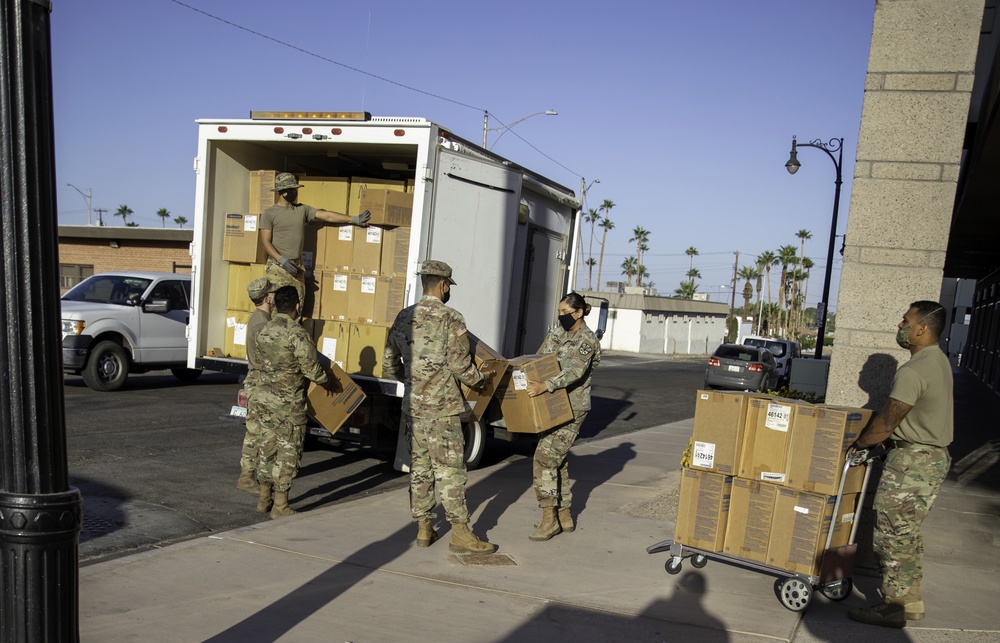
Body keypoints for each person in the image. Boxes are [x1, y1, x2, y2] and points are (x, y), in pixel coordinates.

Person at [847, 301, 953, 629]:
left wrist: (858, 445)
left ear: (922, 328)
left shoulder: (913, 371)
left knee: (892, 534)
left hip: (912, 462)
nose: (899, 325)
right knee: (907, 533)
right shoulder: (938, 360)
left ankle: (892, 606)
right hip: (931, 459)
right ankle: (911, 600)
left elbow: (886, 422)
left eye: (905, 321)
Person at [382, 260, 497, 554]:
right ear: (444, 285)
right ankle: (460, 533)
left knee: (420, 469)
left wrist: (410, 382)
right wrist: (482, 380)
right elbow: (460, 365)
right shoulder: (451, 318)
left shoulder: (403, 317)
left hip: (413, 409)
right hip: (442, 410)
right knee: (451, 471)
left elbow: (388, 363)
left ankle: (424, 528)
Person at [524, 292, 601, 541]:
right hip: (552, 404)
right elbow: (539, 359)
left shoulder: (587, 340)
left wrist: (545, 385)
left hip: (573, 408)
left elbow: (574, 372)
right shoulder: (558, 333)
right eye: (559, 312)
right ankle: (564, 514)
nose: (561, 317)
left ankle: (549, 519)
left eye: (565, 313)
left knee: (545, 458)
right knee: (557, 460)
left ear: (578, 313)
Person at [253, 286, 329, 519]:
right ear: (297, 306)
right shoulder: (296, 333)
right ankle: (280, 505)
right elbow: (312, 370)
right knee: (288, 453)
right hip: (288, 406)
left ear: (276, 305)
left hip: (264, 400)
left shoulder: (263, 330)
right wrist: (327, 380)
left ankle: (263, 498)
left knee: (266, 448)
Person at [260, 172, 371, 303]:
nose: (295, 192)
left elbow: (327, 216)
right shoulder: (269, 213)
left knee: (297, 305)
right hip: (278, 267)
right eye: (291, 190)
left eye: (295, 189)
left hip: (297, 266)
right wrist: (282, 260)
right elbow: (265, 242)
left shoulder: (302, 210)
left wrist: (353, 219)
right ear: (282, 191)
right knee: (276, 306)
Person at [236, 277, 277, 494]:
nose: (275, 295)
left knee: (255, 432)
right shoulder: (262, 324)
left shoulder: (259, 318)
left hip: (256, 381)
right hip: (262, 383)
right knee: (261, 433)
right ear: (267, 298)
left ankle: (248, 476)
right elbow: (270, 358)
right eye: (273, 292)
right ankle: (251, 477)